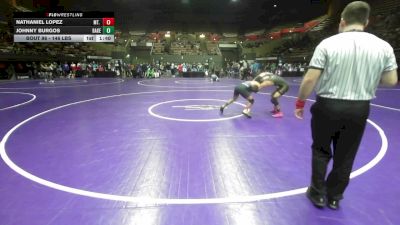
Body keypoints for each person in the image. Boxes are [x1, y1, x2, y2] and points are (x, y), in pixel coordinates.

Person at [294, 1, 398, 210]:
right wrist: (366, 78)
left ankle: (318, 194)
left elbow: (309, 80)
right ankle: (334, 197)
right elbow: (391, 81)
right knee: (346, 155)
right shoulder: (383, 46)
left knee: (321, 151)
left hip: (328, 106)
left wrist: (300, 102)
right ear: (366, 22)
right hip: (359, 109)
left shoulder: (327, 44)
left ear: (342, 21)